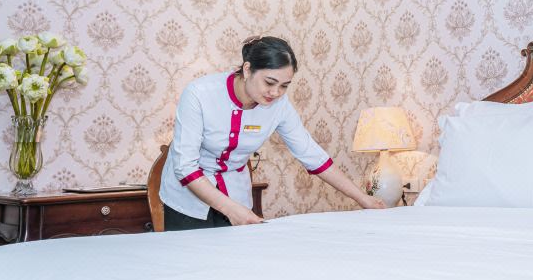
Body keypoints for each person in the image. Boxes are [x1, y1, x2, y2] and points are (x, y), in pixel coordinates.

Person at [160, 36, 385, 230]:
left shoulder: (279, 106)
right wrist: (230, 209)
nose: (276, 92)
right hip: (188, 197)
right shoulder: (199, 94)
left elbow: (312, 154)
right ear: (247, 69)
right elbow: (185, 166)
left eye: (284, 85)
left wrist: (362, 198)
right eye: (269, 82)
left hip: (236, 193)